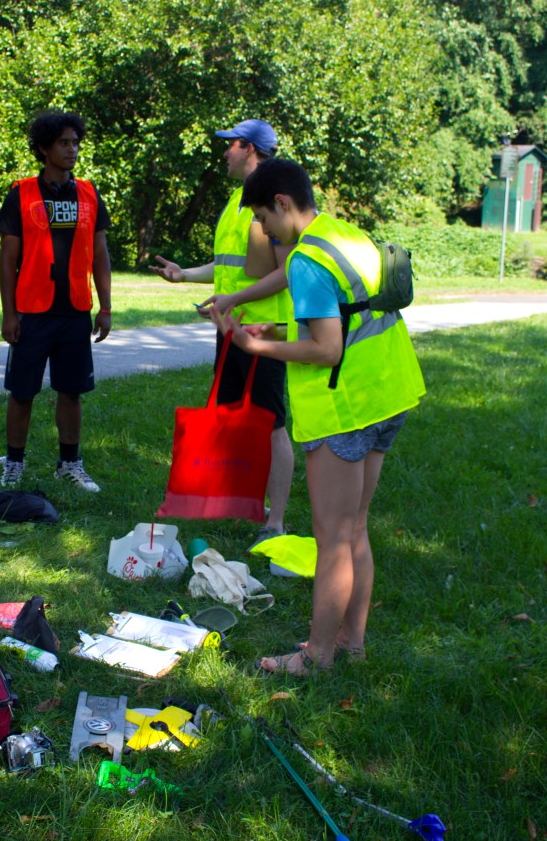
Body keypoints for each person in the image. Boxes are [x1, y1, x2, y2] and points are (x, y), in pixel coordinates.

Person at [216, 158, 425, 675]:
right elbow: (343, 317)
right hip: (387, 391)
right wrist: (273, 332)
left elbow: (327, 349)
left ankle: (317, 656)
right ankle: (352, 643)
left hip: (345, 406)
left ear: (282, 204)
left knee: (332, 538)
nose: (262, 231)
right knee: (355, 528)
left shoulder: (308, 260)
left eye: (263, 218)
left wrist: (252, 346)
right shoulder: (344, 233)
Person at [150, 119, 294, 549]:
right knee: (237, 417)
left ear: (249, 148)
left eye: (229, 145)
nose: (224, 152)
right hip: (230, 327)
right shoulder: (238, 200)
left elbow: (287, 271)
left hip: (266, 329)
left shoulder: (275, 198)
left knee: (271, 423)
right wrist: (184, 275)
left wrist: (234, 299)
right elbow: (227, 264)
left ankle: (277, 520)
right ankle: (249, 504)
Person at [0, 111, 112, 492]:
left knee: (71, 390)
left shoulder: (89, 194)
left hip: (75, 310)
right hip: (31, 311)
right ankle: (14, 463)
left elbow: (101, 256)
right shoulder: (22, 193)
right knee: (22, 391)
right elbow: (8, 260)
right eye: (64, 142)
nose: (72, 149)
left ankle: (70, 463)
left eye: (76, 142)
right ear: (44, 148)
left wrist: (106, 307)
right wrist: (9, 313)